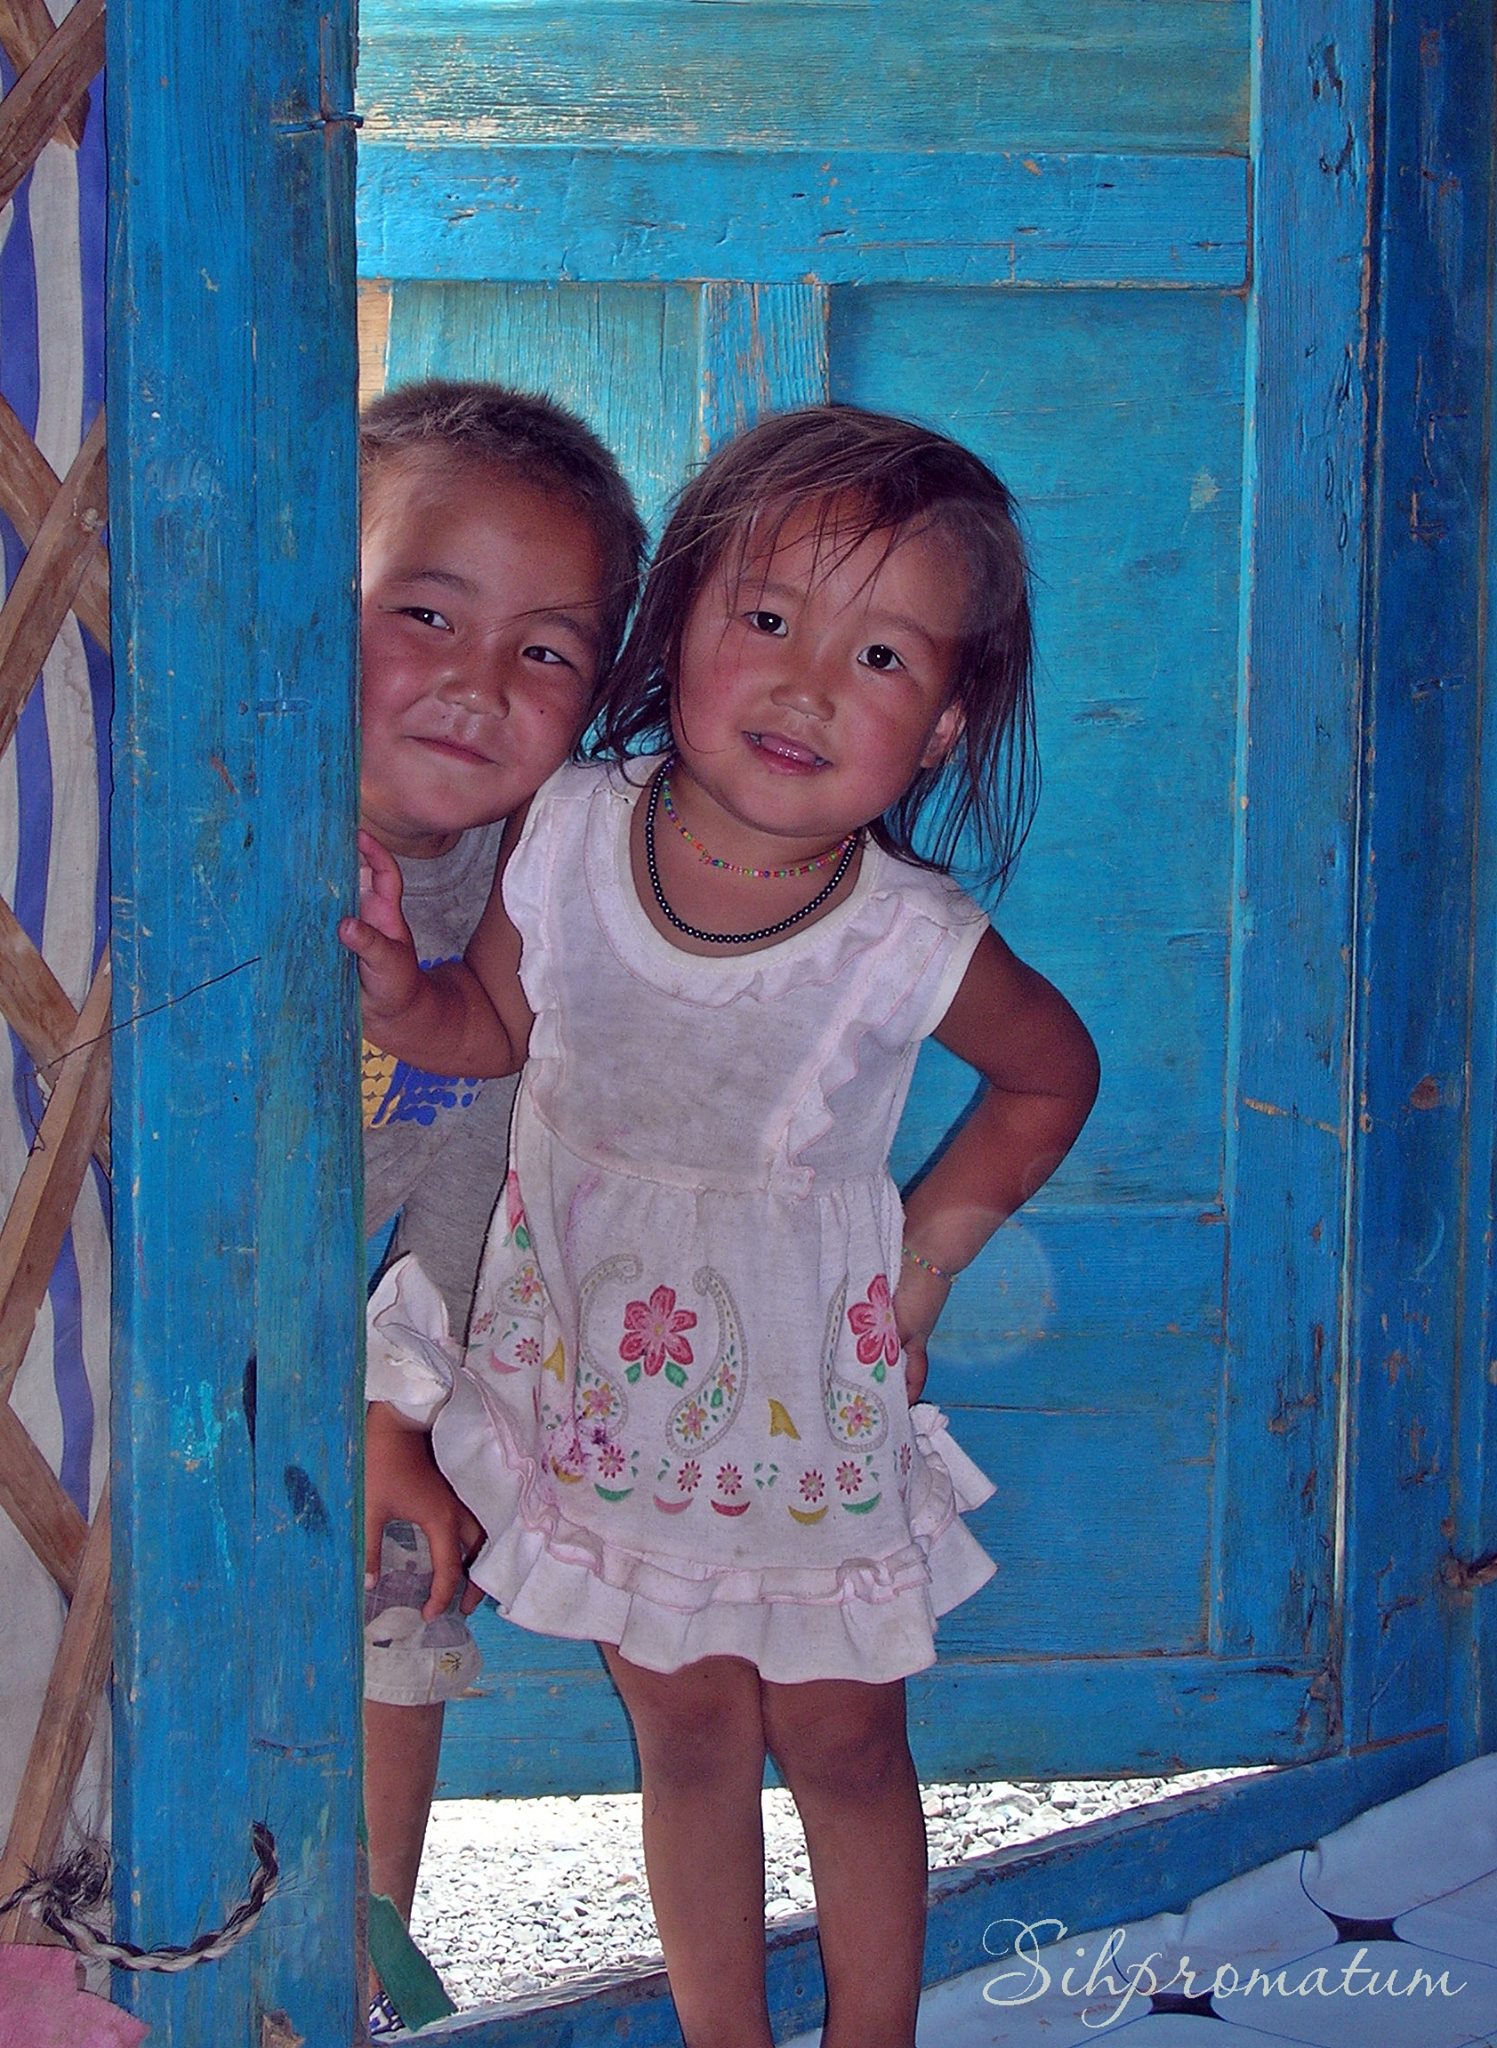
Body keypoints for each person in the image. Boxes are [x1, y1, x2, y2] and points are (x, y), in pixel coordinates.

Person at [344, 403, 1100, 2048]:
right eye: (765, 620)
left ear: (950, 724)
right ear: (676, 622)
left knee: (841, 1741)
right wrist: (409, 1000)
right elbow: (500, 1028)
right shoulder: (565, 836)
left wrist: (929, 1253)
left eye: (884, 657)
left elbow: (1050, 1079)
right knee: (679, 1732)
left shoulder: (910, 938)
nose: (808, 683)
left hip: (798, 1410)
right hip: (612, 1390)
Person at [351, 377, 645, 2024]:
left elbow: (479, 1147)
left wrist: (395, 1404)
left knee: (401, 1588)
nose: (478, 685)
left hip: (392, 1302)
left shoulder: (538, 873)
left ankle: (366, 1943)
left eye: (543, 650)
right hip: (153, 1322)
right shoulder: (221, 822)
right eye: (423, 613)